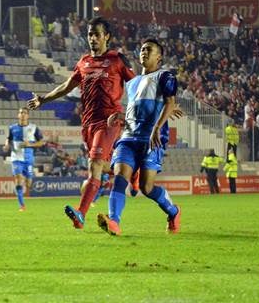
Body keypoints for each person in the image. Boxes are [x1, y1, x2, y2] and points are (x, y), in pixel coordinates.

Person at [28, 17, 136, 229]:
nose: (92, 38)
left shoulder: (117, 60)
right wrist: (43, 99)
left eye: (97, 34)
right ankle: (129, 169)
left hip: (110, 119)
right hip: (88, 122)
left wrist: (133, 114)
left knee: (94, 164)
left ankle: (81, 215)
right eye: (89, 34)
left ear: (107, 36)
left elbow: (136, 87)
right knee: (97, 167)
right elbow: (67, 86)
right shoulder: (84, 62)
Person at [91, 39, 183, 236]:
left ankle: (174, 212)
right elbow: (136, 109)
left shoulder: (165, 76)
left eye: (149, 49)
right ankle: (114, 221)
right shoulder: (132, 83)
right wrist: (120, 116)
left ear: (159, 57)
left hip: (152, 138)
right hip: (129, 137)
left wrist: (157, 127)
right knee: (119, 177)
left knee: (147, 188)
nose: (144, 52)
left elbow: (170, 102)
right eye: (142, 49)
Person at [4, 108, 44, 212]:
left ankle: (27, 181)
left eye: (24, 113)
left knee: (28, 183)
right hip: (16, 157)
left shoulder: (34, 128)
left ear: (28, 116)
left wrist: (30, 144)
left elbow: (41, 142)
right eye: (21, 113)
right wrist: (7, 144)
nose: (22, 115)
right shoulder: (12, 128)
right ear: (18, 115)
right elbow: (8, 138)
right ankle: (22, 205)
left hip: (28, 159)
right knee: (18, 179)